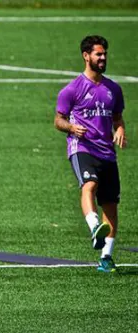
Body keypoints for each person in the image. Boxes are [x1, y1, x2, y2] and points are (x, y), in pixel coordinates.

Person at [55, 35, 127, 272]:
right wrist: (71, 127)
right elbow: (58, 120)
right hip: (82, 147)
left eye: (104, 53)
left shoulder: (113, 89)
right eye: (98, 54)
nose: (103, 57)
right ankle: (94, 225)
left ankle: (106, 256)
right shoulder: (72, 89)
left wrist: (120, 130)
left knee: (111, 205)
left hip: (107, 152)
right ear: (86, 56)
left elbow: (117, 118)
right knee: (89, 185)